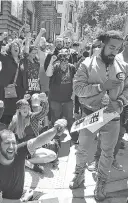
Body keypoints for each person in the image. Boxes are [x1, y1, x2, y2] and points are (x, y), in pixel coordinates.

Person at [70, 31, 127, 201]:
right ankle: (79, 175)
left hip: (112, 116)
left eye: (118, 48)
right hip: (91, 114)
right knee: (82, 149)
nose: (115, 51)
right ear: (103, 44)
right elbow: (78, 89)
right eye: (111, 47)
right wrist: (101, 87)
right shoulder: (86, 64)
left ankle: (101, 183)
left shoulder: (124, 65)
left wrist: (121, 101)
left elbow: (127, 89)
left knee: (107, 152)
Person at [0, 119, 67, 203]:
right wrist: (23, 200)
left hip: (19, 195)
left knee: (52, 199)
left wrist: (55, 129)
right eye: (7, 143)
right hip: (7, 201)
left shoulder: (19, 151)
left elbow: (38, 141)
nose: (11, 147)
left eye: (13, 143)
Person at [46, 49, 77, 143]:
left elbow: (75, 81)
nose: (64, 62)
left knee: (70, 119)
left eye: (66, 59)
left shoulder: (71, 67)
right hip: (55, 99)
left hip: (68, 99)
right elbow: (48, 74)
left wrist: (74, 95)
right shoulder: (55, 66)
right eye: (62, 59)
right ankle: (55, 138)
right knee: (55, 119)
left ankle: (75, 138)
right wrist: (51, 61)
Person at [0, 32, 24, 125]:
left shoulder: (22, 60)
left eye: (17, 46)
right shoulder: (6, 58)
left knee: (17, 110)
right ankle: (4, 130)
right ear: (10, 50)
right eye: (13, 46)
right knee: (6, 111)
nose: (16, 47)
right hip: (6, 89)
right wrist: (1, 40)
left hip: (18, 90)